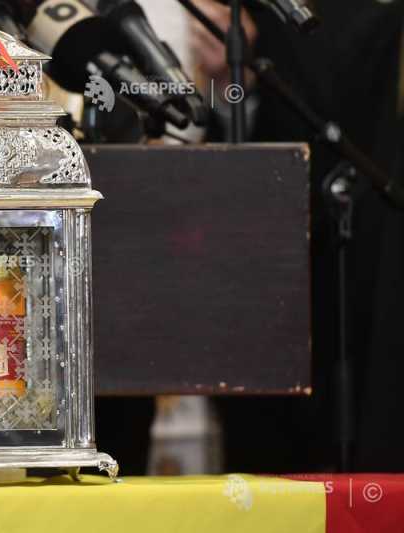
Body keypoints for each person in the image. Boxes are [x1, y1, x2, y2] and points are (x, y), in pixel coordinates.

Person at [191, 0, 404, 472]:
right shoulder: (247, 17)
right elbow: (227, 131)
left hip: (360, 265)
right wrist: (229, 87)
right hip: (269, 274)